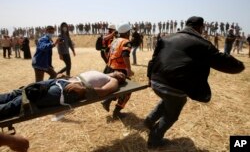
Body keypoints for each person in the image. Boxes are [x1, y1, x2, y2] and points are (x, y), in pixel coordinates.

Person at [145, 16, 245, 149]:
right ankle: (154, 140)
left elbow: (153, 59)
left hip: (156, 81)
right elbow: (222, 60)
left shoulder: (166, 38)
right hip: (174, 85)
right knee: (172, 113)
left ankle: (149, 120)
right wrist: (240, 66)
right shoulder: (202, 44)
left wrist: (149, 78)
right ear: (200, 28)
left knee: (169, 100)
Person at [0, 71, 125, 120]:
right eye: (121, 72)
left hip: (70, 91)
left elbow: (103, 91)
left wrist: (83, 90)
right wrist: (66, 77)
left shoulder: (113, 81)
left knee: (26, 100)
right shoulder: (105, 73)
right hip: (62, 82)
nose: (121, 74)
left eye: (123, 76)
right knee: (25, 90)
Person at [101, 23, 134, 118]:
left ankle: (107, 101)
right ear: (127, 32)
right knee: (127, 91)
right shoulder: (126, 42)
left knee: (116, 87)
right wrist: (128, 69)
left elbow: (107, 50)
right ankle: (116, 112)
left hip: (109, 68)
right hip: (119, 69)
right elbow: (125, 55)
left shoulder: (115, 40)